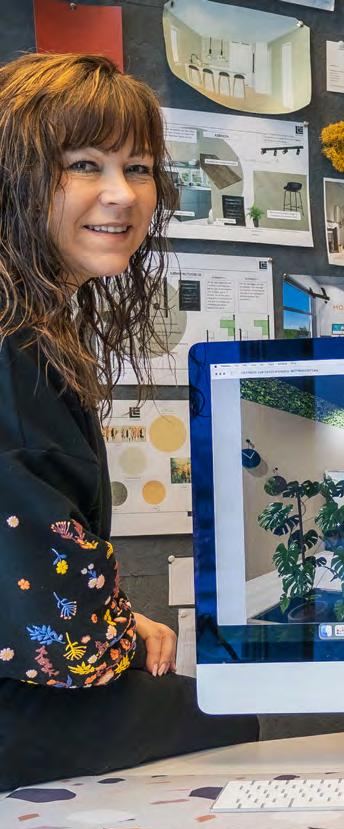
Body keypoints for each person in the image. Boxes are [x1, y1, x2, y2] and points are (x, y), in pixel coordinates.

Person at [0, 53, 258, 791]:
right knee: (219, 717)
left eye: (138, 168)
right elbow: (58, 624)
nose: (121, 194)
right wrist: (112, 633)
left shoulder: (31, 327)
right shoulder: (13, 349)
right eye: (84, 164)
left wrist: (110, 624)